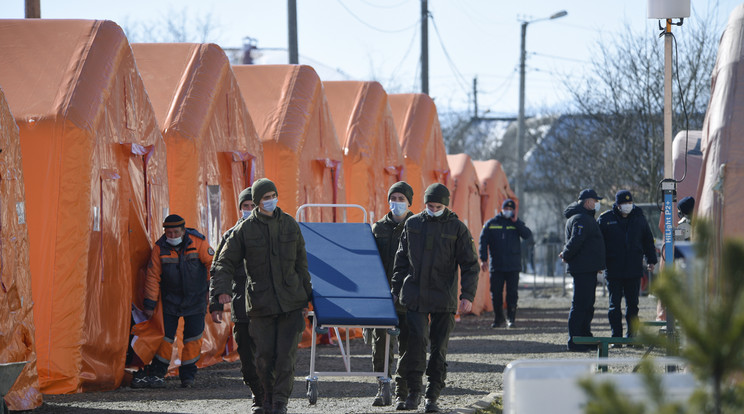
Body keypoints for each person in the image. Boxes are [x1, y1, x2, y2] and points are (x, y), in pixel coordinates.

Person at [211, 178, 312, 414]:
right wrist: (221, 291)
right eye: (265, 198)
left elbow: (302, 265)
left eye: (273, 195)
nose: (271, 201)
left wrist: (307, 299)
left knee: (286, 356)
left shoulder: (290, 224)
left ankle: (279, 402)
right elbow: (223, 262)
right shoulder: (244, 230)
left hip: (291, 302)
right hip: (259, 304)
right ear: (257, 202)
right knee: (263, 357)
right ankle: (265, 397)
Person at [391, 183, 479, 413]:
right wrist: (396, 291)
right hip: (416, 295)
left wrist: (467, 295)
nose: (433, 209)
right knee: (415, 344)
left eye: (438, 206)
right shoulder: (412, 224)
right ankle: (413, 393)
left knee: (439, 348)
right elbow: (400, 262)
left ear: (445, 205)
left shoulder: (457, 228)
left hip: (444, 297)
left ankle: (432, 396)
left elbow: (470, 264)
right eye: (429, 205)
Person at [132, 214, 214, 388]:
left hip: (196, 299)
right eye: (168, 233)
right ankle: (158, 372)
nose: (172, 236)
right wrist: (150, 304)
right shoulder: (159, 248)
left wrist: (210, 291)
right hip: (170, 300)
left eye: (176, 232)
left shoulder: (198, 243)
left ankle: (188, 376)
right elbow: (153, 277)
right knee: (165, 338)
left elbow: (212, 267)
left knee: (193, 338)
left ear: (184, 231)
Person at [208, 187, 264, 413]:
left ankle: (270, 396)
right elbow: (220, 268)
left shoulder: (275, 233)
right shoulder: (231, 235)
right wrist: (217, 301)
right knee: (247, 354)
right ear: (240, 208)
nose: (249, 210)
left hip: (269, 303)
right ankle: (258, 393)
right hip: (242, 303)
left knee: (270, 352)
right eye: (246, 207)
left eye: (253, 206)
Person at [370, 181, 415, 408]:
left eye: (401, 199)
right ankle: (382, 386)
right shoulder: (378, 228)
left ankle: (402, 390)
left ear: (409, 202)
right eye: (393, 198)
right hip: (383, 296)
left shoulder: (416, 227)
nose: (396, 203)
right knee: (381, 344)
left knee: (407, 344)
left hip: (408, 297)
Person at [598, 190, 658, 342]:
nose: (628, 206)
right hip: (613, 270)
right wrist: (599, 264)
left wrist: (651, 260)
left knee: (633, 306)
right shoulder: (605, 219)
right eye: (624, 204)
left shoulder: (639, 218)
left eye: (630, 203)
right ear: (617, 205)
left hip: (633, 269)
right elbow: (598, 244)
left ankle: (632, 337)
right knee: (614, 306)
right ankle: (616, 337)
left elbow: (648, 240)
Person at [559, 189, 606, 352]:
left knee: (587, 305)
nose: (597, 203)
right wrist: (566, 254)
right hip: (583, 269)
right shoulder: (581, 219)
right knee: (580, 305)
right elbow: (576, 241)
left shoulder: (584, 218)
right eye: (595, 200)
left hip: (588, 268)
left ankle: (585, 337)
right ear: (587, 202)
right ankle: (575, 340)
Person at [479, 199, 532, 328]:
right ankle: (498, 319)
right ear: (501, 209)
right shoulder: (491, 224)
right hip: (496, 265)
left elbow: (527, 235)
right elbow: (483, 241)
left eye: (511, 209)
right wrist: (483, 259)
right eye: (506, 209)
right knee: (496, 293)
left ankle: (511, 319)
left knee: (512, 293)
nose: (508, 211)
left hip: (513, 266)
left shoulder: (516, 224)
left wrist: (517, 222)